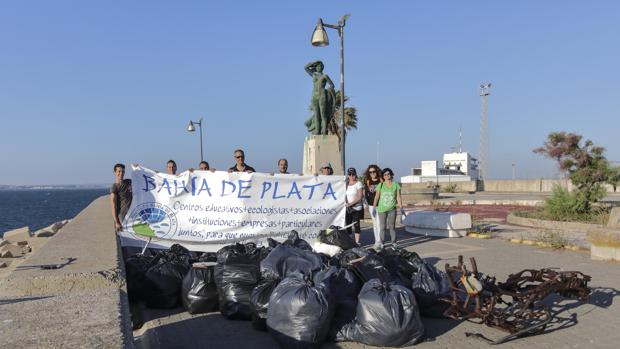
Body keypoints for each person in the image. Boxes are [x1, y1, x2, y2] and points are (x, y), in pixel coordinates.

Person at [373, 168, 403, 247]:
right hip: (382, 209)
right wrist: (374, 207)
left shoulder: (396, 185)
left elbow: (398, 197)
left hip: (392, 209)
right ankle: (382, 243)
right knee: (382, 227)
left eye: (388, 174)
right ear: (383, 176)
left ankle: (394, 242)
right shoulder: (381, 185)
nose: (387, 176)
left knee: (392, 226)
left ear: (391, 174)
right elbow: (376, 197)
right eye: (385, 174)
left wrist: (401, 207)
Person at [363, 164, 383, 249]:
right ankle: (376, 241)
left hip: (380, 205)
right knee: (375, 224)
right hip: (371, 206)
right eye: (370, 172)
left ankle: (380, 242)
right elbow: (365, 193)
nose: (372, 173)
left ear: (377, 172)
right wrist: (365, 204)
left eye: (374, 171)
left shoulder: (381, 181)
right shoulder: (367, 181)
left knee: (379, 224)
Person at [110, 163, 132, 232]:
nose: (121, 173)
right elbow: (113, 205)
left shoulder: (129, 182)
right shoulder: (114, 187)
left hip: (132, 215)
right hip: (122, 217)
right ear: (114, 172)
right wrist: (117, 222)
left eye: (123, 171)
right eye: (119, 171)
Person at [345, 167, 363, 244]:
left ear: (355, 175)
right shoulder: (345, 184)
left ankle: (357, 242)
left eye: (353, 174)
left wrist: (350, 204)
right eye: (350, 174)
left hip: (356, 208)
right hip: (348, 208)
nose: (351, 176)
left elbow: (360, 197)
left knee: (356, 225)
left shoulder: (358, 183)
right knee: (348, 225)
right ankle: (349, 241)